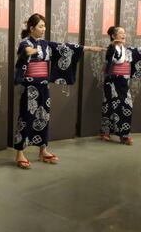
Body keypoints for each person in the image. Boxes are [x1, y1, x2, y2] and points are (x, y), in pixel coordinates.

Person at [13, 13, 104, 169]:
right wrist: (30, 51)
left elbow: (66, 48)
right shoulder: (25, 42)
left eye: (44, 26)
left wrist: (87, 48)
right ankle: (20, 153)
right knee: (26, 118)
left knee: (44, 116)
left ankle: (43, 150)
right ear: (31, 28)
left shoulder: (46, 44)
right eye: (40, 26)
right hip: (30, 87)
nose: (43, 29)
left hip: (43, 86)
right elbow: (24, 50)